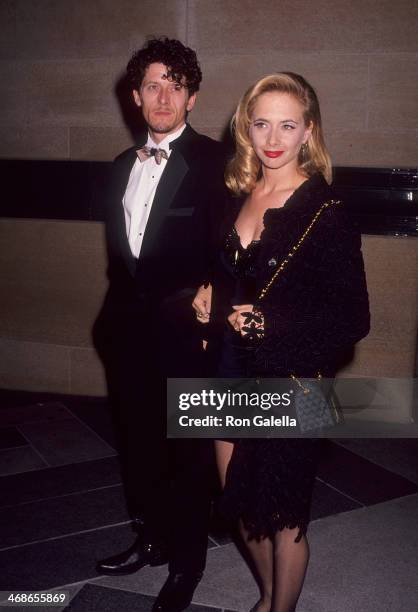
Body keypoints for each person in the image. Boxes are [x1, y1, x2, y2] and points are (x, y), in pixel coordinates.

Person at [193, 72, 370, 611]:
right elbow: (236, 274)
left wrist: (273, 324)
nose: (273, 138)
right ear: (247, 127)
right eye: (262, 122)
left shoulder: (325, 210)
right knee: (240, 503)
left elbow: (352, 316)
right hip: (228, 367)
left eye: (287, 125)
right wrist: (210, 294)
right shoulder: (240, 194)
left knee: (283, 513)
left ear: (307, 131)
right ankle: (268, 595)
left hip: (292, 376)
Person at [94, 37, 227, 612]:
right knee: (138, 445)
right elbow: (124, 257)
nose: (164, 96)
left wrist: (214, 299)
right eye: (153, 85)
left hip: (187, 335)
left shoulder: (220, 161)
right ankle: (151, 536)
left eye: (176, 85)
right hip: (126, 333)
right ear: (135, 96)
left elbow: (235, 249)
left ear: (193, 97)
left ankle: (188, 563)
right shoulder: (121, 166)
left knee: (188, 452)